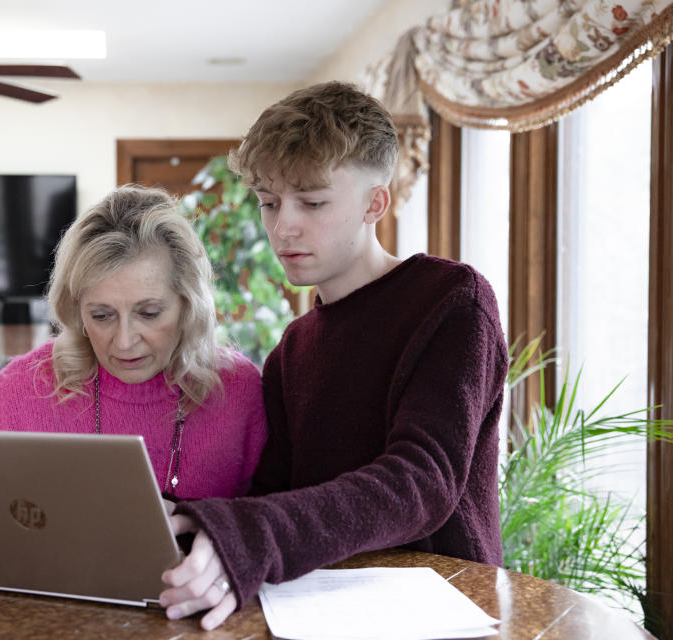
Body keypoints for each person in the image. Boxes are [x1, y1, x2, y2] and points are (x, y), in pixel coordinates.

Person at [158, 81, 509, 629]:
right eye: (269, 203)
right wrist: (184, 522)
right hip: (314, 612)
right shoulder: (292, 349)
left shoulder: (452, 301)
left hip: (442, 611)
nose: (283, 226)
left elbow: (422, 480)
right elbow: (275, 493)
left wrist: (253, 533)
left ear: (376, 202)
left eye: (312, 202)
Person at [0, 185, 267, 500]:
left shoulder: (238, 389)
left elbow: (268, 526)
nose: (124, 342)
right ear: (77, 310)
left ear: (188, 305)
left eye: (149, 313)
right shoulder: (20, 391)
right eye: (102, 316)